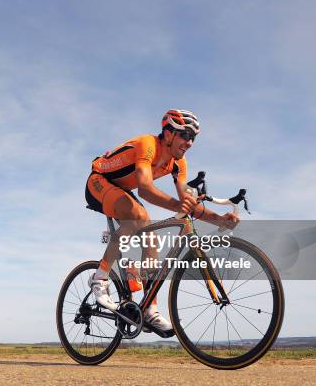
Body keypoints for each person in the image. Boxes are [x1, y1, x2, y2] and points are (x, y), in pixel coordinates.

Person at [85, 109, 239, 336]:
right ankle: (99, 278)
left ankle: (149, 309)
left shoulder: (179, 164)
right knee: (137, 215)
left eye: (193, 138)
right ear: (168, 134)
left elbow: (188, 201)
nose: (189, 142)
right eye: (185, 135)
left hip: (122, 190)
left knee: (151, 239)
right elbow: (145, 189)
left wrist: (219, 218)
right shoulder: (147, 145)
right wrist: (179, 206)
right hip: (98, 181)